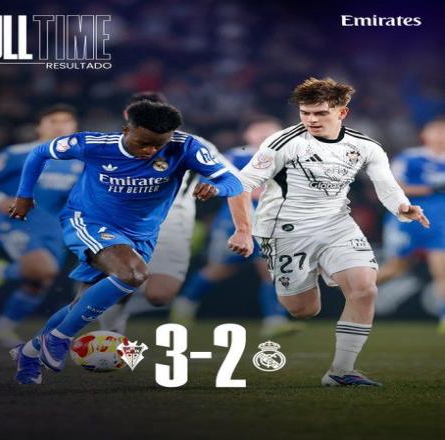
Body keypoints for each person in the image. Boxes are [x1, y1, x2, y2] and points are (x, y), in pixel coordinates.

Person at [9, 100, 243, 384]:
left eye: (158, 145)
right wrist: (24, 195)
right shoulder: (94, 144)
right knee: (133, 274)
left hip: (141, 234)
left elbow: (234, 181)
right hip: (89, 221)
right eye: (143, 143)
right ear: (126, 130)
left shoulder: (186, 146)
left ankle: (30, 352)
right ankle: (59, 338)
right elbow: (39, 152)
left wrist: (216, 188)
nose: (150, 151)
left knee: (83, 303)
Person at [227, 77, 429, 387]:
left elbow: (386, 184)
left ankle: (341, 370)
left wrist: (402, 207)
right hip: (285, 230)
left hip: (336, 224)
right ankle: (318, 269)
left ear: (342, 112)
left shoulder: (365, 146)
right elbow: (240, 185)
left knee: (365, 288)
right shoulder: (283, 142)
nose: (311, 119)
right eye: (305, 113)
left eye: (320, 113)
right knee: (303, 310)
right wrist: (243, 230)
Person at [98, 91, 239, 333]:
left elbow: (232, 178)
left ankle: (121, 292)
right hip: (122, 223)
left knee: (160, 296)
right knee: (123, 278)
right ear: (127, 115)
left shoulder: (192, 144)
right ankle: (111, 332)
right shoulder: (107, 144)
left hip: (173, 224)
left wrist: (216, 188)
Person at [170, 117, 305, 338]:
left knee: (271, 270)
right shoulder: (236, 156)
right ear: (247, 134)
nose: (265, 134)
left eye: (270, 130)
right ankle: (185, 304)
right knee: (218, 269)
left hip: (272, 223)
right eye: (259, 129)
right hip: (234, 222)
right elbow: (212, 180)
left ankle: (274, 321)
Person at [0, 105, 82, 348]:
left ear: (75, 127)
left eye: (66, 121)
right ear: (39, 126)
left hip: (53, 226)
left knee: (39, 281)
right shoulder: (18, 153)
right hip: (17, 220)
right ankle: (0, 272)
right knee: (43, 269)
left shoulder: (79, 161)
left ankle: (2, 328)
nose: (60, 126)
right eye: (53, 120)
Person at [378, 117, 445, 332]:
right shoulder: (409, 158)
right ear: (424, 134)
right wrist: (431, 188)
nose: (441, 136)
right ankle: (354, 289)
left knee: (442, 270)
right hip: (408, 221)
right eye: (436, 131)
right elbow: (394, 187)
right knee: (395, 269)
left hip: (440, 223)